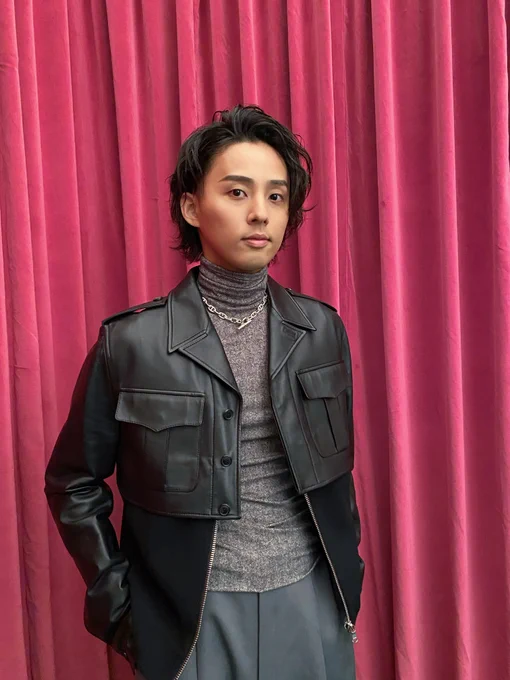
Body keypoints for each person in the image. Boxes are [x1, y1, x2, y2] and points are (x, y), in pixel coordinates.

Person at [45, 105, 364, 680]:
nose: (259, 212)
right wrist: (120, 608)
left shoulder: (321, 330)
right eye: (237, 192)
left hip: (312, 599)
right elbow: (73, 481)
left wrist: (349, 577)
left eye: (275, 196)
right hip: (191, 618)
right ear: (192, 207)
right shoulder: (132, 344)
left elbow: (338, 476)